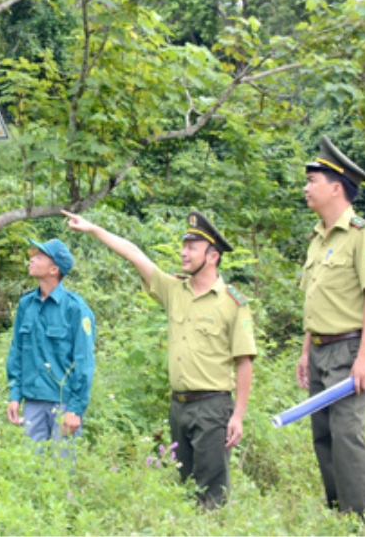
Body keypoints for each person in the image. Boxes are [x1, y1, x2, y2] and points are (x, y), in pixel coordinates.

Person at [63, 209, 255, 508]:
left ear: (213, 256)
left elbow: (245, 361)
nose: (183, 253)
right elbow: (134, 255)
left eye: (192, 247)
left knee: (212, 494)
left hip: (213, 407)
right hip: (179, 406)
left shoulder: (232, 302)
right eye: (183, 246)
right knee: (184, 488)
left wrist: (238, 415)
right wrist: (93, 229)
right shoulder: (174, 290)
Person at [298, 135, 365, 519]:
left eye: (312, 181)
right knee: (323, 434)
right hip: (320, 350)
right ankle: (340, 514)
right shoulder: (318, 239)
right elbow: (316, 300)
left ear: (336, 188)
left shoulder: (362, 235)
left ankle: (364, 519)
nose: (305, 188)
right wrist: (305, 352)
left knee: (347, 434)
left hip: (351, 349)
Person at [5, 238, 96, 449]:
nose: (32, 260)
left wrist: (76, 409)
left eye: (39, 257)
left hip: (64, 406)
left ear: (54, 269)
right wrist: (14, 395)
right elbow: (16, 352)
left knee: (61, 471)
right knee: (29, 468)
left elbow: (84, 362)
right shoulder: (26, 305)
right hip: (32, 403)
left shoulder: (76, 309)